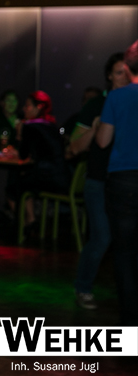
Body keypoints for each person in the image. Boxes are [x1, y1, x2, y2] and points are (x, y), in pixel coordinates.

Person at [68, 53, 129, 309]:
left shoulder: (132, 102)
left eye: (127, 72)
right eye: (118, 72)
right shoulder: (97, 105)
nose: (123, 77)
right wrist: (95, 128)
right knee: (102, 237)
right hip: (99, 182)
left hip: (127, 182)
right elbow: (74, 148)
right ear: (109, 76)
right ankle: (83, 287)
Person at [96, 40, 138, 325]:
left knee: (124, 252)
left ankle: (130, 321)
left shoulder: (117, 97)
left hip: (124, 180)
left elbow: (103, 141)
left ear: (127, 68)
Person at [13, 91, 71, 226]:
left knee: (15, 185)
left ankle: (27, 221)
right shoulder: (52, 126)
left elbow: (23, 155)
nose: (24, 109)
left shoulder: (30, 126)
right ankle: (31, 220)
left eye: (27, 106)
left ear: (38, 107)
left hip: (48, 177)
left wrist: (19, 135)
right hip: (64, 176)